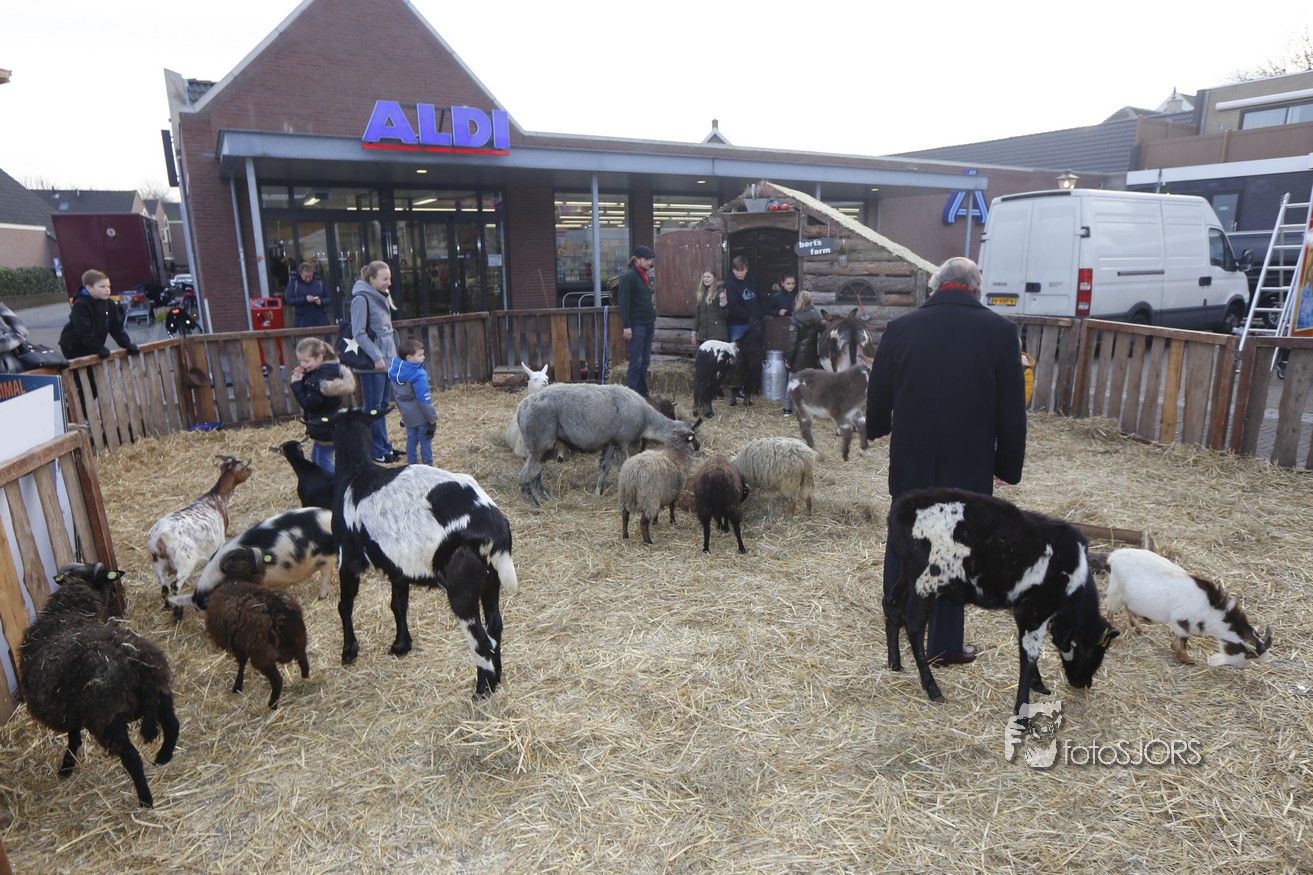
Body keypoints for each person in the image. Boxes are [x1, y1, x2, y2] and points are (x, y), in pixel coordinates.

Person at [866, 256, 1027, 666]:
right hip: (969, 461)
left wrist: (878, 426)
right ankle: (944, 645)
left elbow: (879, 387)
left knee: (905, 535)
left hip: (912, 456)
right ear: (976, 288)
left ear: (935, 286)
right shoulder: (1000, 332)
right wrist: (1006, 466)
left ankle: (898, 621)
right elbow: (1012, 408)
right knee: (957, 545)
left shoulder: (901, 328)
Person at [350, 260, 402, 463]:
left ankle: (384, 446)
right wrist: (376, 357)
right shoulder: (361, 299)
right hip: (374, 364)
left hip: (386, 360)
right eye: (384, 279)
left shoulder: (379, 295)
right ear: (371, 279)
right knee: (373, 408)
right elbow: (359, 333)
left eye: (389, 278)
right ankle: (375, 450)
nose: (389, 283)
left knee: (382, 406)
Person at [289, 337, 356, 474]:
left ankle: (336, 485)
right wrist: (305, 375)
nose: (302, 364)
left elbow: (308, 403)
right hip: (329, 423)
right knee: (316, 458)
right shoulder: (329, 370)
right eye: (300, 361)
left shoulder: (318, 380)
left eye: (306, 361)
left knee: (323, 463)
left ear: (319, 358)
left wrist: (296, 384)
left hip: (326, 426)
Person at [58, 269, 140, 360]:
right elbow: (83, 329)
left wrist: (126, 344)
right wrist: (97, 348)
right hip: (74, 345)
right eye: (102, 287)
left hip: (91, 344)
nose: (107, 290)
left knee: (95, 366)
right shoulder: (81, 304)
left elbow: (116, 326)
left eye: (108, 286)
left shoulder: (109, 303)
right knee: (85, 368)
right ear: (89, 288)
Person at [388, 338, 438, 465]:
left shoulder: (395, 371)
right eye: (420, 355)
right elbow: (424, 400)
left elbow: (397, 396)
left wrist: (403, 414)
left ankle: (412, 463)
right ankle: (428, 464)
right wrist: (432, 418)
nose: (424, 357)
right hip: (420, 416)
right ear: (409, 357)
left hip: (407, 415)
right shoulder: (419, 374)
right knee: (425, 440)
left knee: (411, 439)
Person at [616, 244, 657, 397]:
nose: (649, 262)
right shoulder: (629, 276)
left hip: (647, 322)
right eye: (647, 259)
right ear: (638, 259)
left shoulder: (643, 275)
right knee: (636, 361)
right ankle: (630, 395)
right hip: (637, 324)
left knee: (645, 361)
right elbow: (624, 303)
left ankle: (641, 393)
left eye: (651, 259)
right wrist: (627, 326)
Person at [783, 288, 823, 416]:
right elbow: (824, 332)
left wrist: (788, 360)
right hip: (811, 356)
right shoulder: (817, 316)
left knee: (792, 383)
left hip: (797, 359)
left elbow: (792, 343)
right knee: (809, 385)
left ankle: (787, 409)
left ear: (799, 301)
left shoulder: (796, 318)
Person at [724, 255, 763, 343]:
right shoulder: (729, 284)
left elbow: (758, 298)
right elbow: (732, 306)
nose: (740, 273)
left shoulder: (752, 280)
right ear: (733, 270)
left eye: (742, 270)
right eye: (737, 270)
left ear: (747, 269)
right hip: (737, 324)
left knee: (755, 348)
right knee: (737, 349)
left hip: (755, 323)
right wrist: (749, 316)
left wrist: (759, 314)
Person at [284, 262, 332, 327]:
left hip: (320, 320)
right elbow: (288, 300)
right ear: (300, 273)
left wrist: (321, 302)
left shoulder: (319, 282)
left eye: (310, 276)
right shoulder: (294, 283)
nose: (308, 279)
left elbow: (329, 297)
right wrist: (305, 299)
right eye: (306, 277)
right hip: (302, 321)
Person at [690, 267, 728, 348]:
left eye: (708, 277)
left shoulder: (720, 291)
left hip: (717, 337)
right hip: (703, 337)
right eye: (704, 277)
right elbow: (698, 316)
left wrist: (723, 302)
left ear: (714, 278)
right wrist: (694, 333)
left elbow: (724, 315)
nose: (705, 279)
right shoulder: (701, 293)